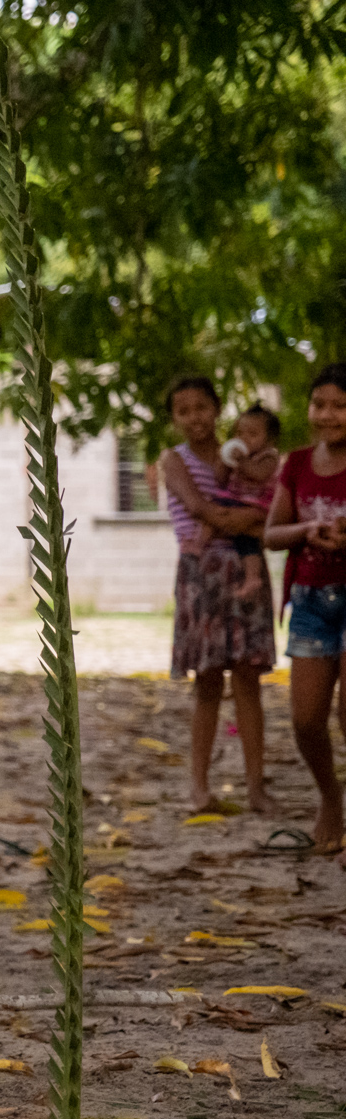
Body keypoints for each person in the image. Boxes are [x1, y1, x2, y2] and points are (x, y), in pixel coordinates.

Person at [159, 376, 276, 815]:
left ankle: (255, 788)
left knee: (248, 679)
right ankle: (199, 786)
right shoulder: (174, 460)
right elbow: (198, 508)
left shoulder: (242, 455)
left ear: (217, 408)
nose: (194, 418)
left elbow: (271, 511)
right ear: (174, 418)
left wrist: (250, 522)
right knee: (207, 682)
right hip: (200, 576)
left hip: (245, 572)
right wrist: (244, 520)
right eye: (183, 410)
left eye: (201, 408)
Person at [263, 362, 346, 856]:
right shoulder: (294, 464)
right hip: (312, 601)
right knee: (306, 721)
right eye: (320, 405)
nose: (328, 414)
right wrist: (306, 532)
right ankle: (330, 798)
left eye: (339, 405)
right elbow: (271, 534)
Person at [188, 405, 281, 602]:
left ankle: (253, 577)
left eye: (253, 434)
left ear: (269, 439)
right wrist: (223, 461)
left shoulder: (269, 457)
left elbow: (259, 474)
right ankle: (198, 544)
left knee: (249, 542)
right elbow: (220, 480)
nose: (244, 438)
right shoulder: (239, 456)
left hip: (256, 505)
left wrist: (242, 461)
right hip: (234, 501)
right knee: (213, 509)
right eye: (239, 433)